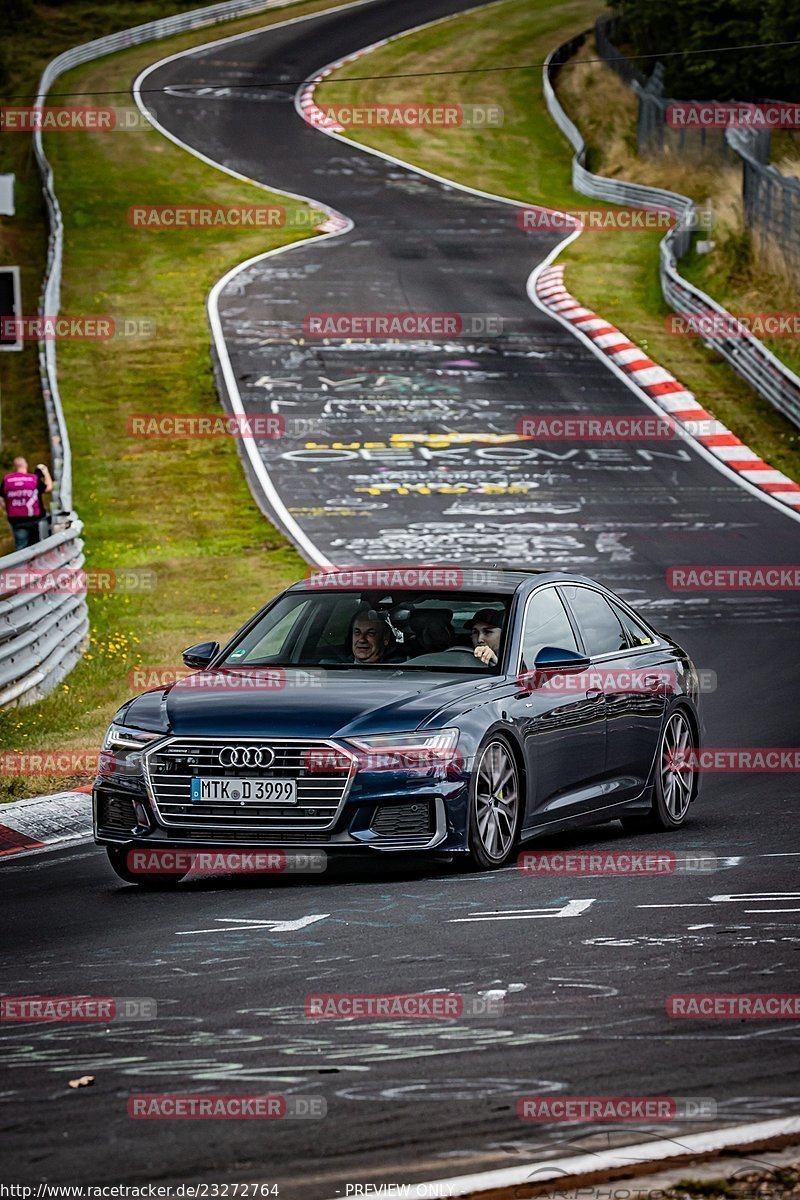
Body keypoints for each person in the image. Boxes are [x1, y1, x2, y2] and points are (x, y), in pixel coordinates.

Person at [0, 457, 53, 551]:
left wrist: (6, 508)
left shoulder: (7, 480)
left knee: (21, 548)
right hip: (35, 518)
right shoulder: (33, 479)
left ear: (14, 467)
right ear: (26, 466)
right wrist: (46, 472)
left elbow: (1, 498)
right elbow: (48, 488)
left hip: (16, 520)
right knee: (38, 546)